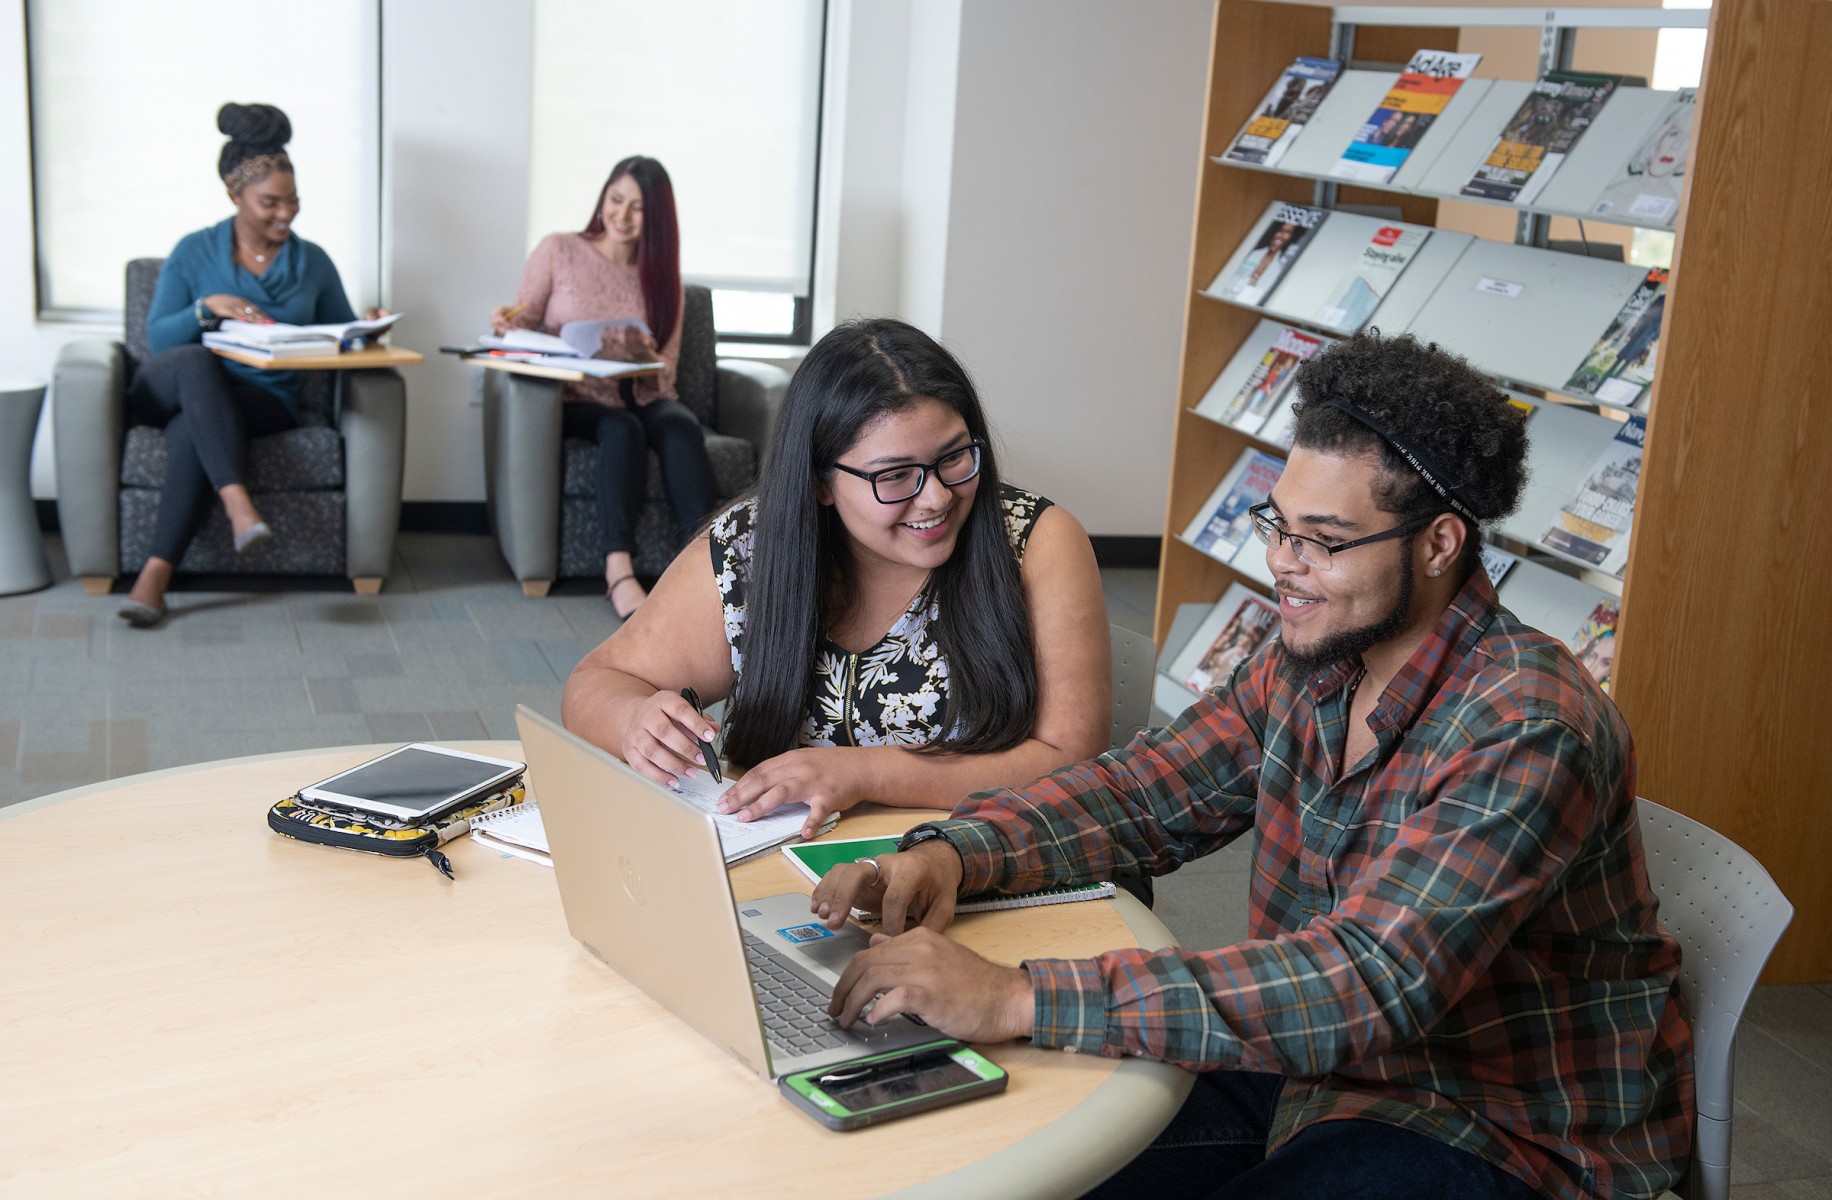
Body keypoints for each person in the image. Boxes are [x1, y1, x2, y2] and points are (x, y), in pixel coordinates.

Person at [813, 332, 1694, 1200]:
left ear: (1438, 545)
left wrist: (1015, 998)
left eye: (1324, 539)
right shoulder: (1315, 658)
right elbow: (1143, 793)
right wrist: (952, 856)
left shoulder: (1526, 725)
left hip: (1499, 1129)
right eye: (1280, 522)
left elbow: (1366, 984)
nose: (1281, 561)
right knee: (1008, 1156)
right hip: (1313, 1074)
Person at [561, 317, 1111, 839]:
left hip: (984, 861)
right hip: (790, 872)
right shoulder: (752, 549)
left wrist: (867, 773)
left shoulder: (1038, 543)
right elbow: (597, 681)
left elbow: (1072, 760)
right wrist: (636, 720)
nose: (938, 496)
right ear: (822, 482)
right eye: (896, 476)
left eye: (954, 458)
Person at [119, 102, 385, 629]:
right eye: (269, 203)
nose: (285, 214)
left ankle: (153, 578)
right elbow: (155, 340)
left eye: (293, 201)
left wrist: (370, 327)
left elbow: (342, 335)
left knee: (192, 430)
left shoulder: (312, 262)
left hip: (262, 400)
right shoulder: (195, 251)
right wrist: (206, 308)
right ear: (233, 195)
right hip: (171, 382)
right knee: (198, 363)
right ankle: (239, 505)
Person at [493, 156, 713, 618]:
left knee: (680, 425)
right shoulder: (559, 249)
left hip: (641, 392)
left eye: (638, 208)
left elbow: (666, 371)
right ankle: (619, 569)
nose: (622, 215)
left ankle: (710, 568)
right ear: (603, 198)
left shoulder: (662, 279)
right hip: (573, 397)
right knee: (621, 429)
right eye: (616, 200)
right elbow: (522, 325)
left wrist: (642, 355)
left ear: (658, 219)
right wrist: (504, 324)